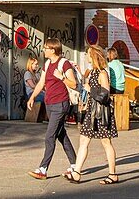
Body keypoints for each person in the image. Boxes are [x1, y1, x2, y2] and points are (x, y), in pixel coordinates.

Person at [27, 38, 77, 181]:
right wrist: (32, 97)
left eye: (45, 48)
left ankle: (43, 169)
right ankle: (75, 165)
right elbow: (41, 82)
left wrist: (61, 77)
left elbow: (73, 84)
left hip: (61, 104)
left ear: (53, 50)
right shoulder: (47, 64)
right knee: (61, 135)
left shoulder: (64, 64)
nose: (43, 50)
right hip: (50, 104)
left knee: (50, 136)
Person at [67, 45, 118, 185]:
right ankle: (77, 172)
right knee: (83, 141)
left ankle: (113, 174)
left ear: (94, 56)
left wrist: (91, 90)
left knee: (106, 142)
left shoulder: (102, 73)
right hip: (91, 112)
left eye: (88, 54)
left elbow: (105, 94)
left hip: (101, 113)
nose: (86, 56)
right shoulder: (93, 72)